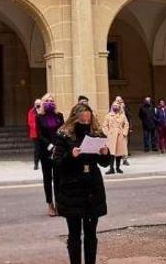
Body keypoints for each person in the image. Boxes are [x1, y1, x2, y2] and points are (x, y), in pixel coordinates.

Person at [54, 103, 112, 264]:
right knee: (74, 234)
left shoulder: (97, 133)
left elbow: (105, 163)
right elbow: (57, 162)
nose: (86, 123)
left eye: (88, 120)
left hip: (92, 188)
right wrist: (71, 155)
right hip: (72, 188)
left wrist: (106, 154)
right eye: (82, 120)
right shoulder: (64, 135)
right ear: (75, 118)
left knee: (91, 234)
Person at [36, 93, 64, 217]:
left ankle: (59, 203)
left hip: (58, 151)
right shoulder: (39, 117)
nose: (50, 102)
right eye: (47, 100)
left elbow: (63, 131)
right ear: (43, 102)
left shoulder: (59, 116)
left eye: (52, 100)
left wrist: (58, 145)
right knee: (48, 179)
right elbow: (39, 135)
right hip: (46, 152)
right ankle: (50, 204)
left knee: (59, 178)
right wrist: (50, 145)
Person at [102, 98, 129, 174]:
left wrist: (124, 133)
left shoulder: (122, 116)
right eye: (114, 105)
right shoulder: (108, 116)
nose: (115, 107)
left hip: (120, 136)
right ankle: (111, 168)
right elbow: (105, 125)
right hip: (111, 137)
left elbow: (126, 124)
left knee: (119, 153)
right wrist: (107, 133)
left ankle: (118, 168)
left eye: (116, 106)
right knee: (111, 153)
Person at [28, 98, 43, 170]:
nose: (38, 105)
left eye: (39, 103)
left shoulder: (43, 111)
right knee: (37, 149)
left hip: (43, 133)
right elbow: (30, 122)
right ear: (34, 104)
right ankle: (36, 164)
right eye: (36, 104)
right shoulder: (32, 112)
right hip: (35, 134)